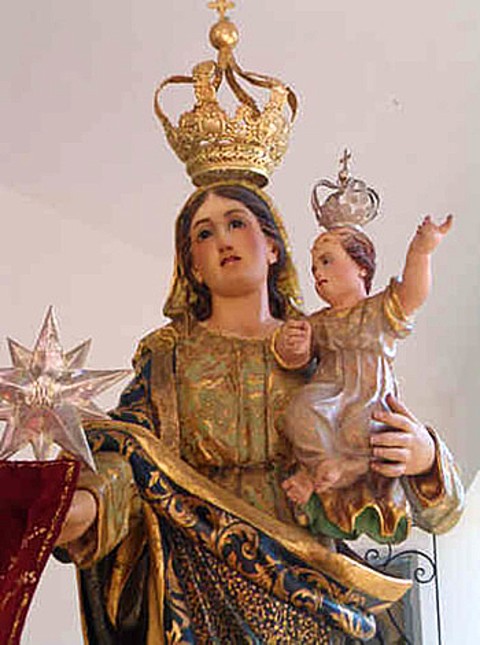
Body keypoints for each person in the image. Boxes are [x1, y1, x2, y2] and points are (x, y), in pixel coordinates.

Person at [55, 183, 463, 644]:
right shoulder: (167, 358)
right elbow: (131, 455)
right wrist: (85, 502)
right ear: (193, 266)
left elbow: (442, 513)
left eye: (236, 223)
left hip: (308, 583)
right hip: (195, 582)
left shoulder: (324, 347)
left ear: (272, 247)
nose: (223, 240)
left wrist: (425, 457)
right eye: (204, 234)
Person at [274, 217, 454, 543]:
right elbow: (297, 359)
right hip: (329, 394)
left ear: (361, 266)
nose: (317, 273)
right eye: (314, 267)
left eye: (326, 261)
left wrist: (421, 251)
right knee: (300, 410)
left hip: (369, 393)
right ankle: (318, 470)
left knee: (369, 430)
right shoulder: (318, 322)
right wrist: (295, 347)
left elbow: (413, 293)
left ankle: (342, 471)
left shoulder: (379, 309)